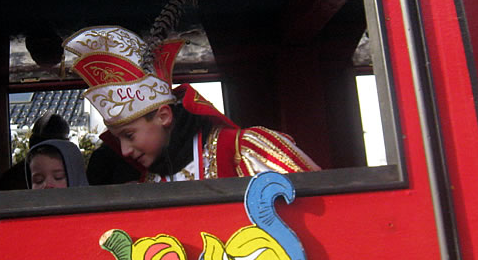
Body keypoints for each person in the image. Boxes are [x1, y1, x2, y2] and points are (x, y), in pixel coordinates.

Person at [63, 26, 319, 183]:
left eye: (129, 135)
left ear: (164, 116)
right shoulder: (151, 181)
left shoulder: (242, 150)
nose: (125, 151)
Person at [0, 111, 71, 190]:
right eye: (38, 180)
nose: (48, 186)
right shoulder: (13, 179)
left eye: (58, 177)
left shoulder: (73, 171)